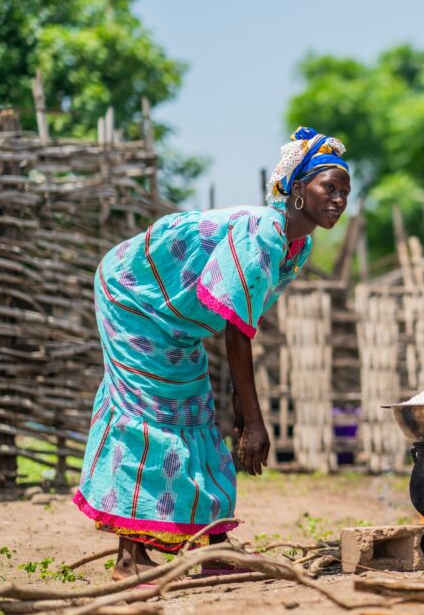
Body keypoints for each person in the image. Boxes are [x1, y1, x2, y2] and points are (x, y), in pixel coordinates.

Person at [74, 127, 351, 580]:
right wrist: (255, 421)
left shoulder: (297, 248)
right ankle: (130, 558)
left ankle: (209, 548)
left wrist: (242, 411)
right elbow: (238, 335)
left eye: (345, 191)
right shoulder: (263, 232)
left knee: (194, 412)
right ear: (298, 190)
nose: (338, 199)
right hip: (134, 297)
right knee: (150, 413)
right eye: (329, 187)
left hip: (177, 319)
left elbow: (239, 319)